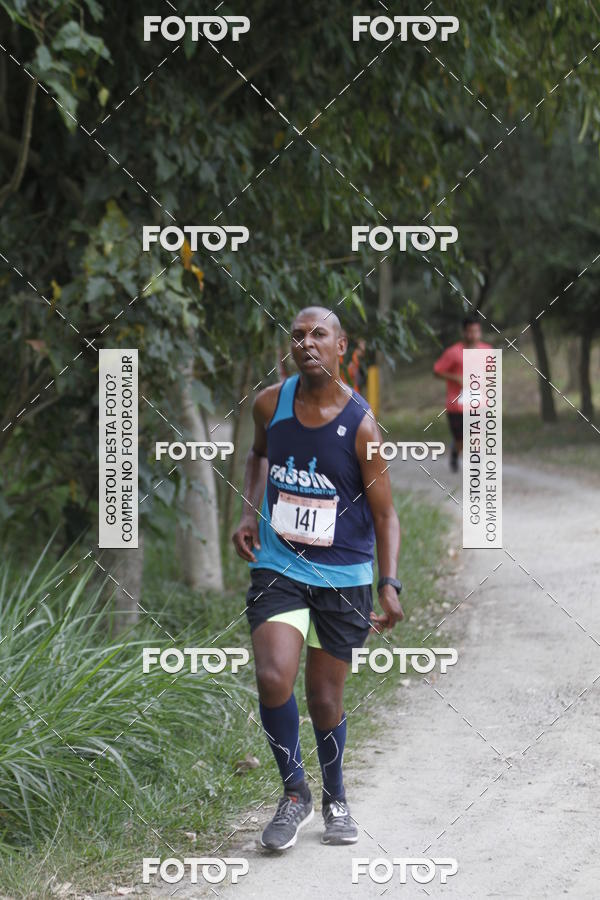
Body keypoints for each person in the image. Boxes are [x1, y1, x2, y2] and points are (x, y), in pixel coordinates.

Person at [232, 306, 403, 851]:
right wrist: (246, 512)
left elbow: (386, 516)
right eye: (297, 335)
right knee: (273, 675)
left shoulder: (361, 427)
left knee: (325, 699)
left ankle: (335, 796)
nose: (306, 343)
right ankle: (293, 794)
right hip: (278, 563)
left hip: (343, 572)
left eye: (318, 335)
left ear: (340, 346)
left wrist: (389, 583)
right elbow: (258, 457)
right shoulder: (269, 403)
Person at [433, 314, 492, 471]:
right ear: (464, 332)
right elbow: (437, 371)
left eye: (477, 331)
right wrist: (456, 378)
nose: (474, 335)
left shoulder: (487, 350)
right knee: (461, 439)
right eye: (470, 331)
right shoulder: (453, 352)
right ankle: (455, 449)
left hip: (480, 402)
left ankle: (476, 467)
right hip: (456, 404)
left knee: (477, 437)